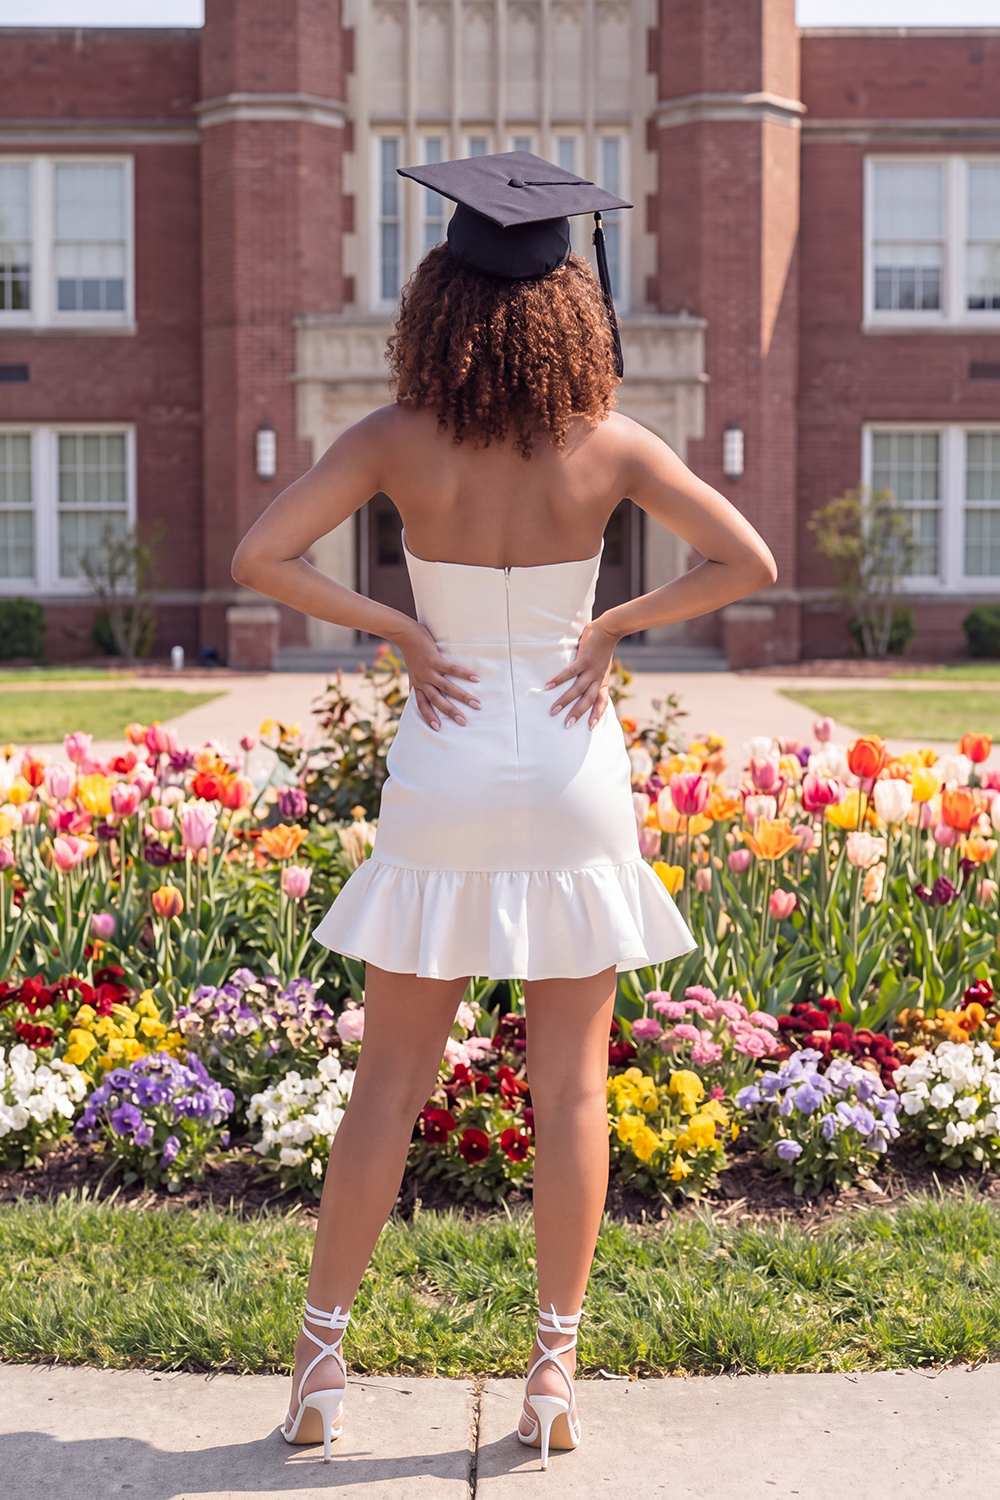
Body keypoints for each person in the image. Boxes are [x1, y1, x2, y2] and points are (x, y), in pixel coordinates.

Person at [231, 150, 776, 1471]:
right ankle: (551, 1379)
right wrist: (620, 622)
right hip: (580, 767)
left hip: (449, 762)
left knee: (386, 1089)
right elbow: (748, 560)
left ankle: (319, 1367)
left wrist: (398, 629)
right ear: (574, 315)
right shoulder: (614, 446)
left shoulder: (393, 440)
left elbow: (260, 557)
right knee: (571, 1089)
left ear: (437, 301)